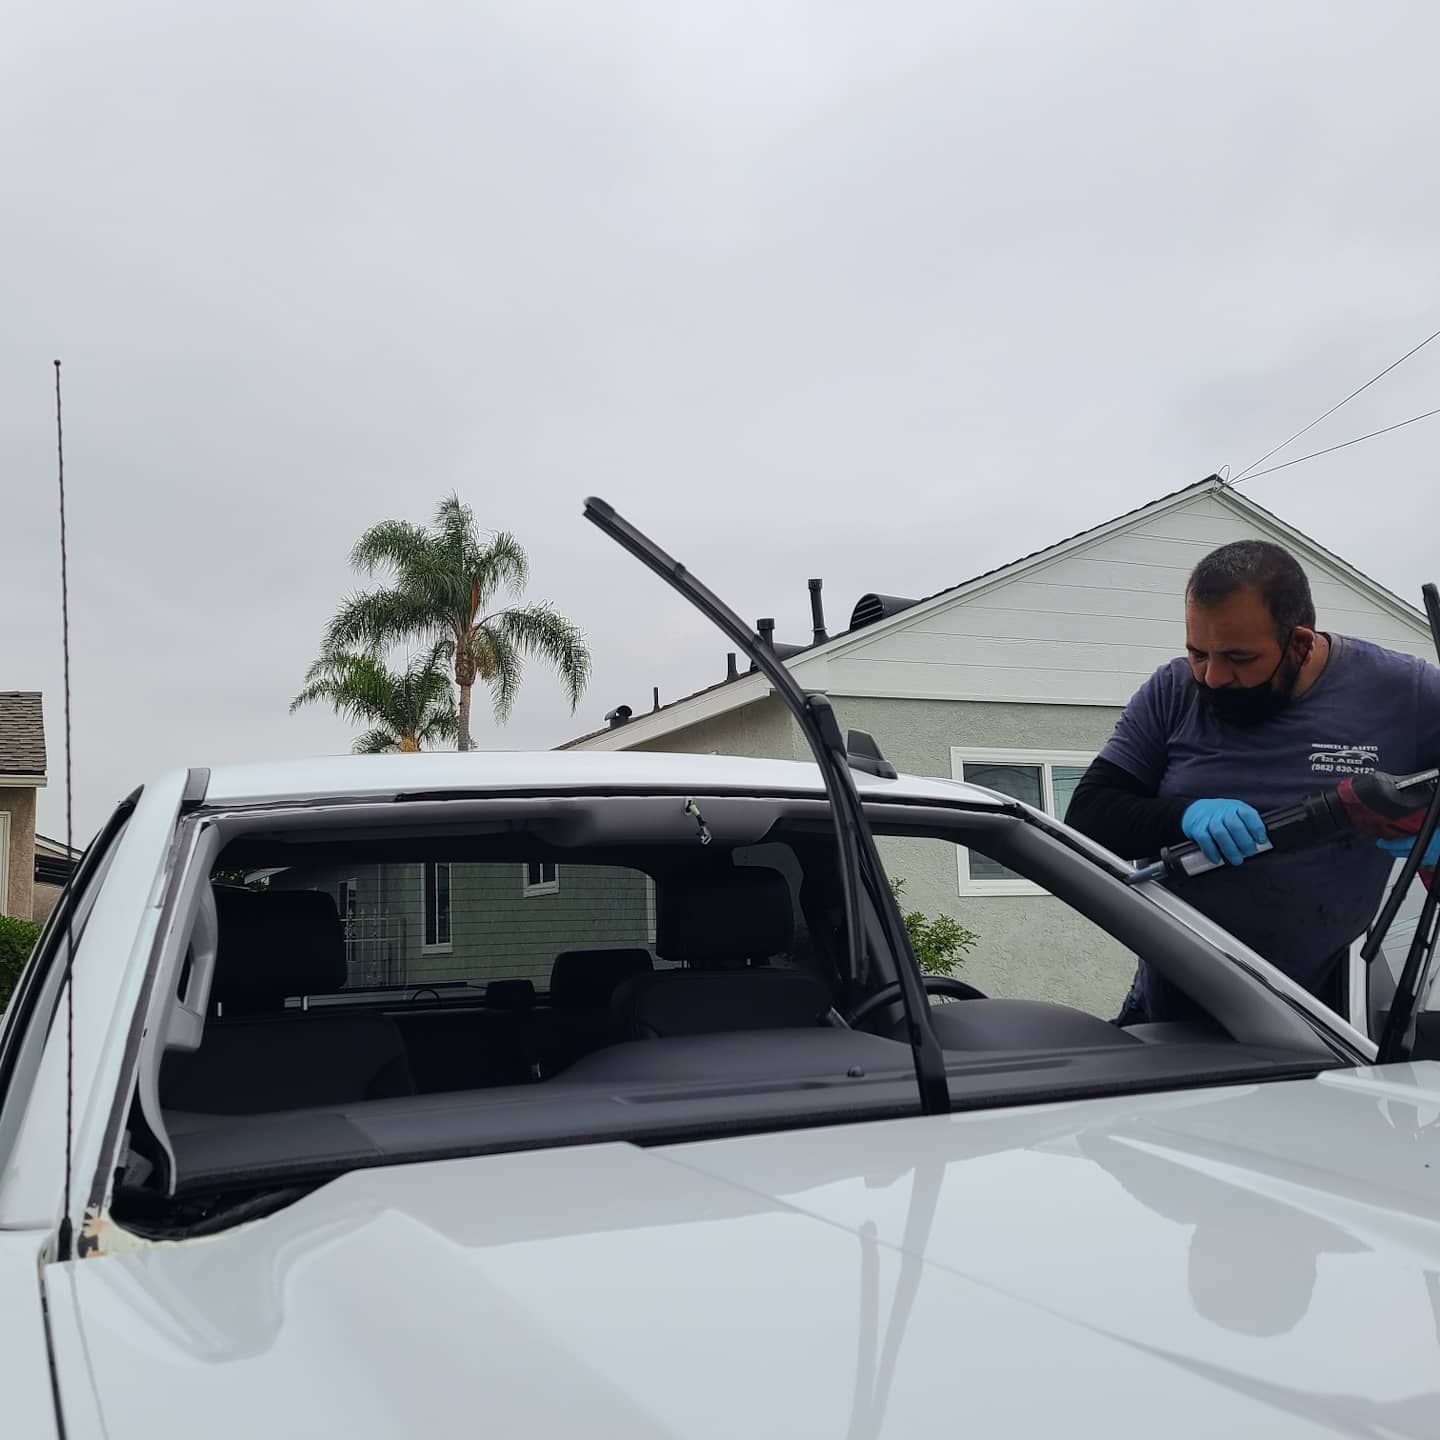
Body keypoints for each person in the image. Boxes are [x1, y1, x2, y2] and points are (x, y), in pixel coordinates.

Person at [1065, 538, 1440, 1024]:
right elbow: (1089, 816)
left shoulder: (1404, 694)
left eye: (1239, 659)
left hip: (1322, 1010)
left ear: (1300, 643)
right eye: (1199, 653)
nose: (1213, 677)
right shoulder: (1172, 692)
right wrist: (1185, 816)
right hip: (1176, 1003)